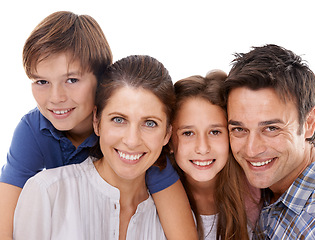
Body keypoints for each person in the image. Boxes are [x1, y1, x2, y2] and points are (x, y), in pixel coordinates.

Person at [0, 11, 196, 240]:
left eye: (71, 80)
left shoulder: (132, 144)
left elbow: (181, 232)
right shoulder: (33, 130)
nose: (55, 97)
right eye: (41, 81)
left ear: (102, 80)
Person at [14, 55, 180, 239]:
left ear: (167, 133)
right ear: (97, 121)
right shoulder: (47, 193)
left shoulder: (172, 224)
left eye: (150, 123)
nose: (132, 141)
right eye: (118, 119)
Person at [225, 44, 315, 239]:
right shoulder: (293, 163)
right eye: (239, 129)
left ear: (309, 123)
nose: (251, 150)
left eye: (271, 128)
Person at [170, 70, 250, 240]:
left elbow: (305, 139)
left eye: (214, 132)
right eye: (188, 133)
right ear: (169, 140)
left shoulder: (252, 186)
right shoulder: (159, 196)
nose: (203, 148)